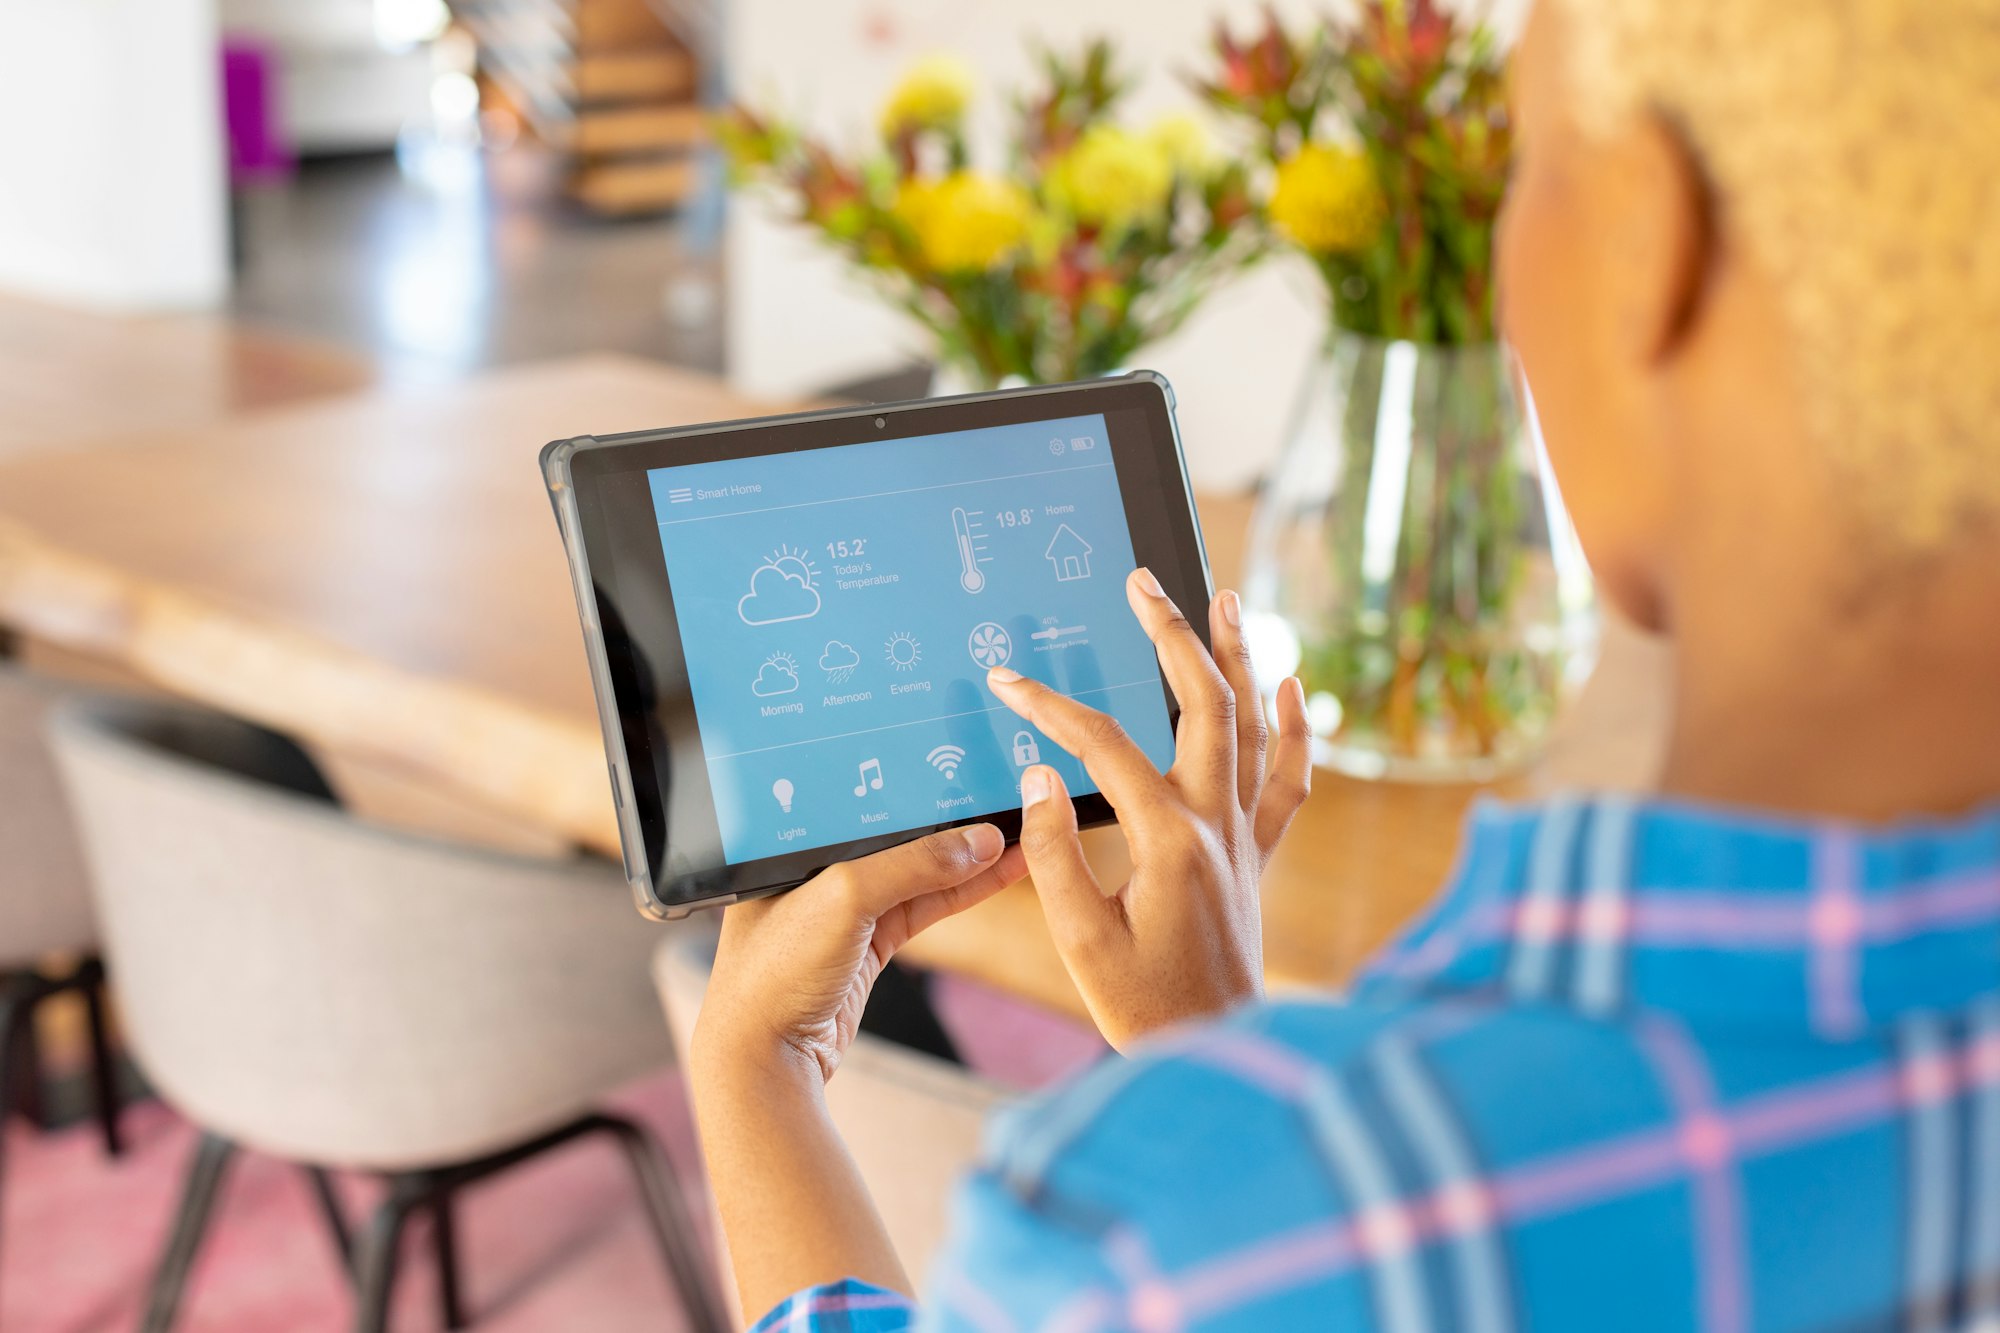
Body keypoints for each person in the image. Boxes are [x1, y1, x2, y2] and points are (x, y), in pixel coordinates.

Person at [691, 0, 2000, 1327]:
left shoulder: (1179, 1236)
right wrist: (1228, 1065)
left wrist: (757, 1061)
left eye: (1526, 163)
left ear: (1644, 253)